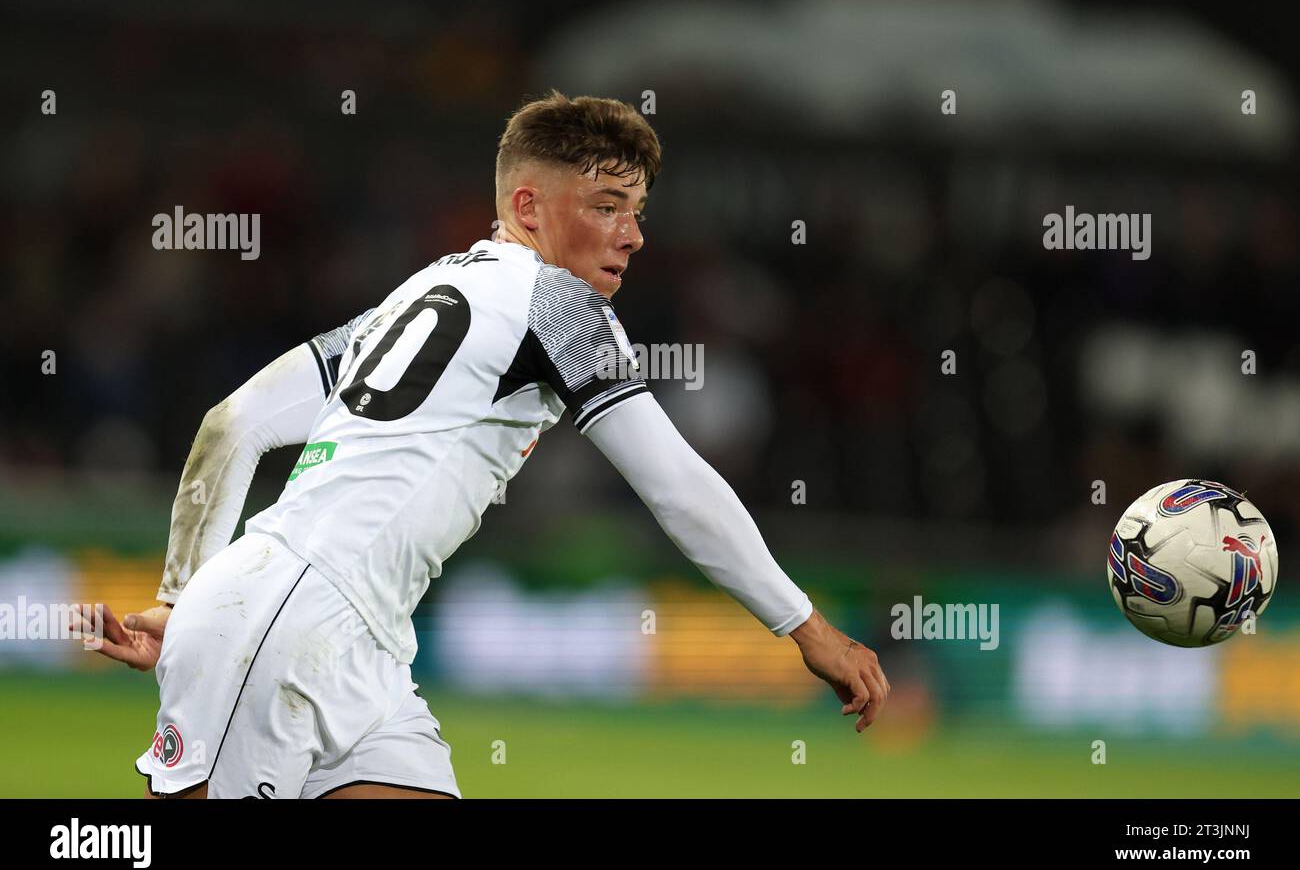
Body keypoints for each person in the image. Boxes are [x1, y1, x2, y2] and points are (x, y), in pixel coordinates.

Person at [81, 91, 889, 799]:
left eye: (637, 209)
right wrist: (807, 627)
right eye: (607, 205)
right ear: (530, 208)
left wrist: (184, 601)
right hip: (288, 622)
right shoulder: (563, 307)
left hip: (352, 643)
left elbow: (234, 423)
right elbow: (675, 484)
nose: (633, 234)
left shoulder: (420, 293)